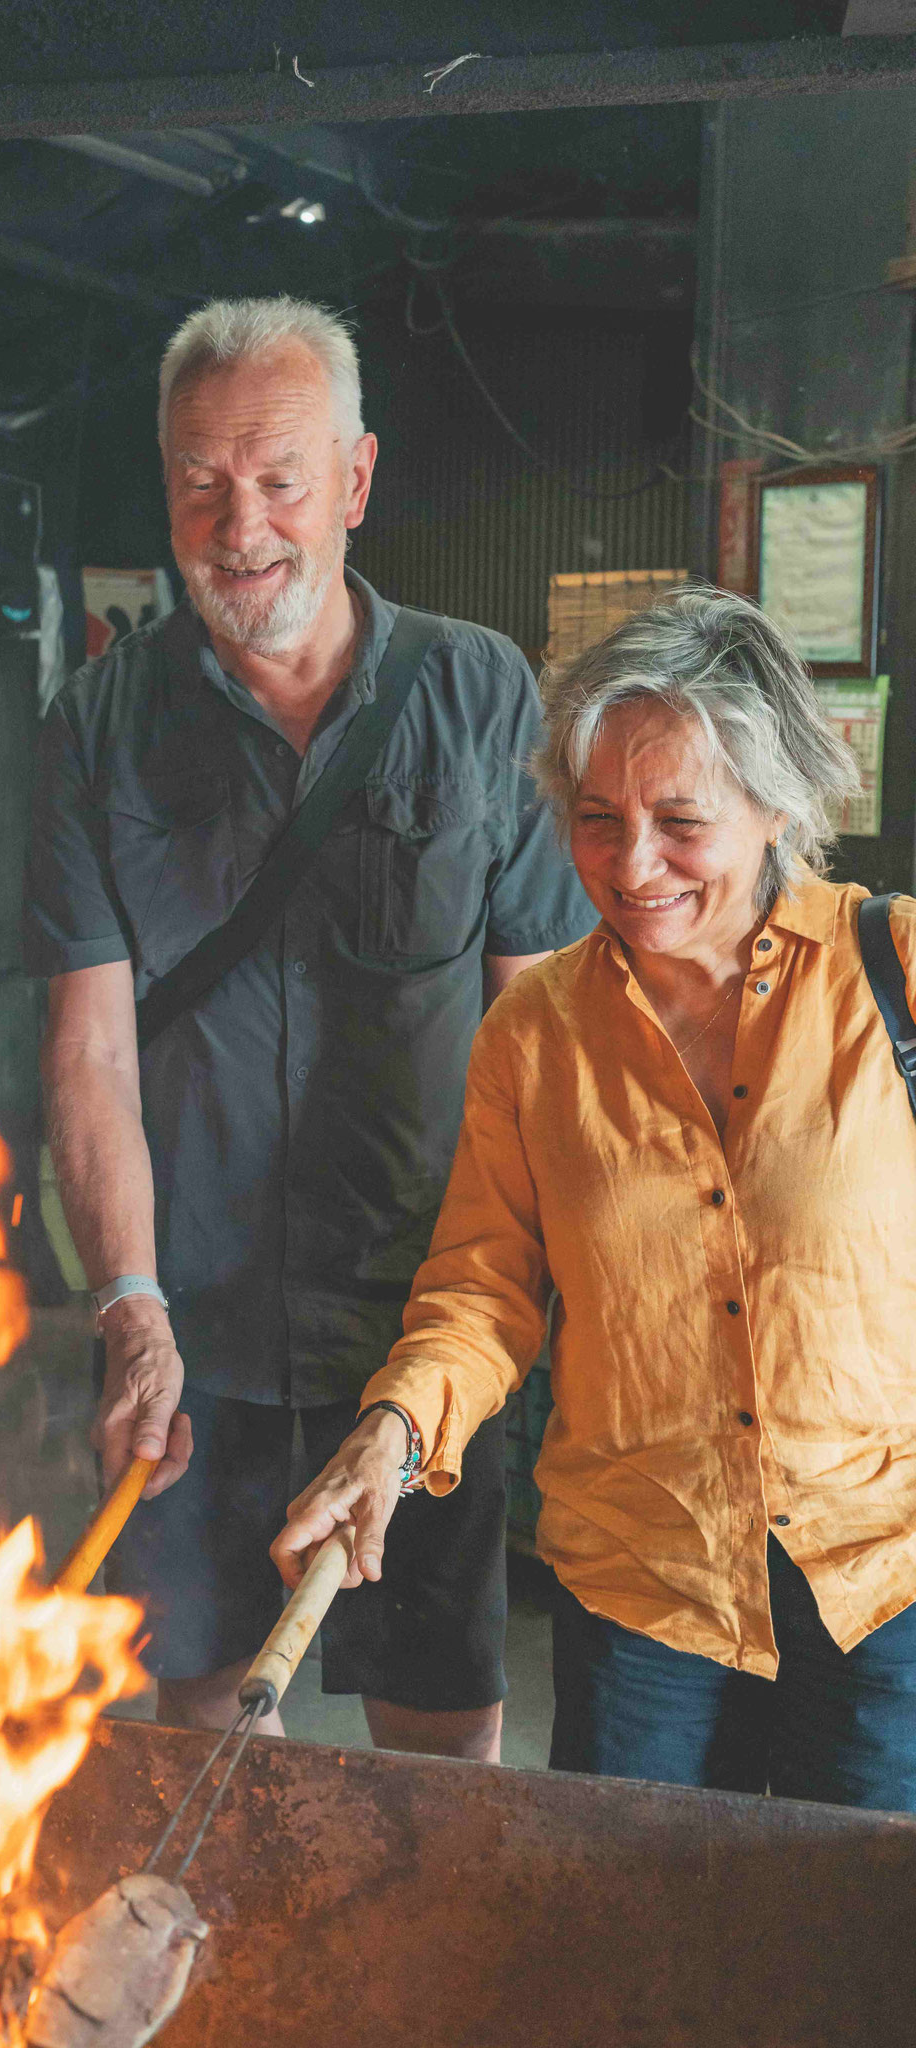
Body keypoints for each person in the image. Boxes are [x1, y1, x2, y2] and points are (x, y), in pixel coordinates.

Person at [25, 296, 594, 1759]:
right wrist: (129, 1309)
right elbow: (90, 1051)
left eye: (280, 478)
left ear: (354, 481)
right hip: (194, 1338)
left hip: (426, 1333)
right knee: (208, 1733)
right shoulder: (98, 723)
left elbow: (543, 1036)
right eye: (200, 481)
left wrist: (512, 1319)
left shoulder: (478, 698)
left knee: (438, 1735)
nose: (239, 525)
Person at [273, 584, 916, 1808]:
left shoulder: (892, 975)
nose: (632, 866)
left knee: (861, 1970)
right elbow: (483, 1285)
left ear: (776, 803)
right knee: (635, 1955)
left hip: (880, 1582)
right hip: (644, 1589)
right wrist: (395, 1430)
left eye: (681, 819)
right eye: (597, 816)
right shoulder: (535, 1032)